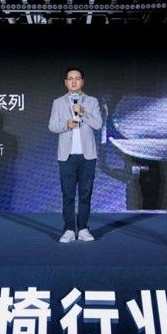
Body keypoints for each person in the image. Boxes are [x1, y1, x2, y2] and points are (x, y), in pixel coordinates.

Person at [48, 67, 103, 243]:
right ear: (65, 82)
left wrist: (83, 112)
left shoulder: (92, 101)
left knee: (86, 194)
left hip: (87, 156)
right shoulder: (58, 102)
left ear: (82, 81)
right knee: (68, 195)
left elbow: (98, 124)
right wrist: (67, 125)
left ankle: (84, 229)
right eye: (70, 78)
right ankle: (69, 230)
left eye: (77, 78)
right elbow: (52, 126)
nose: (73, 81)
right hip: (67, 156)